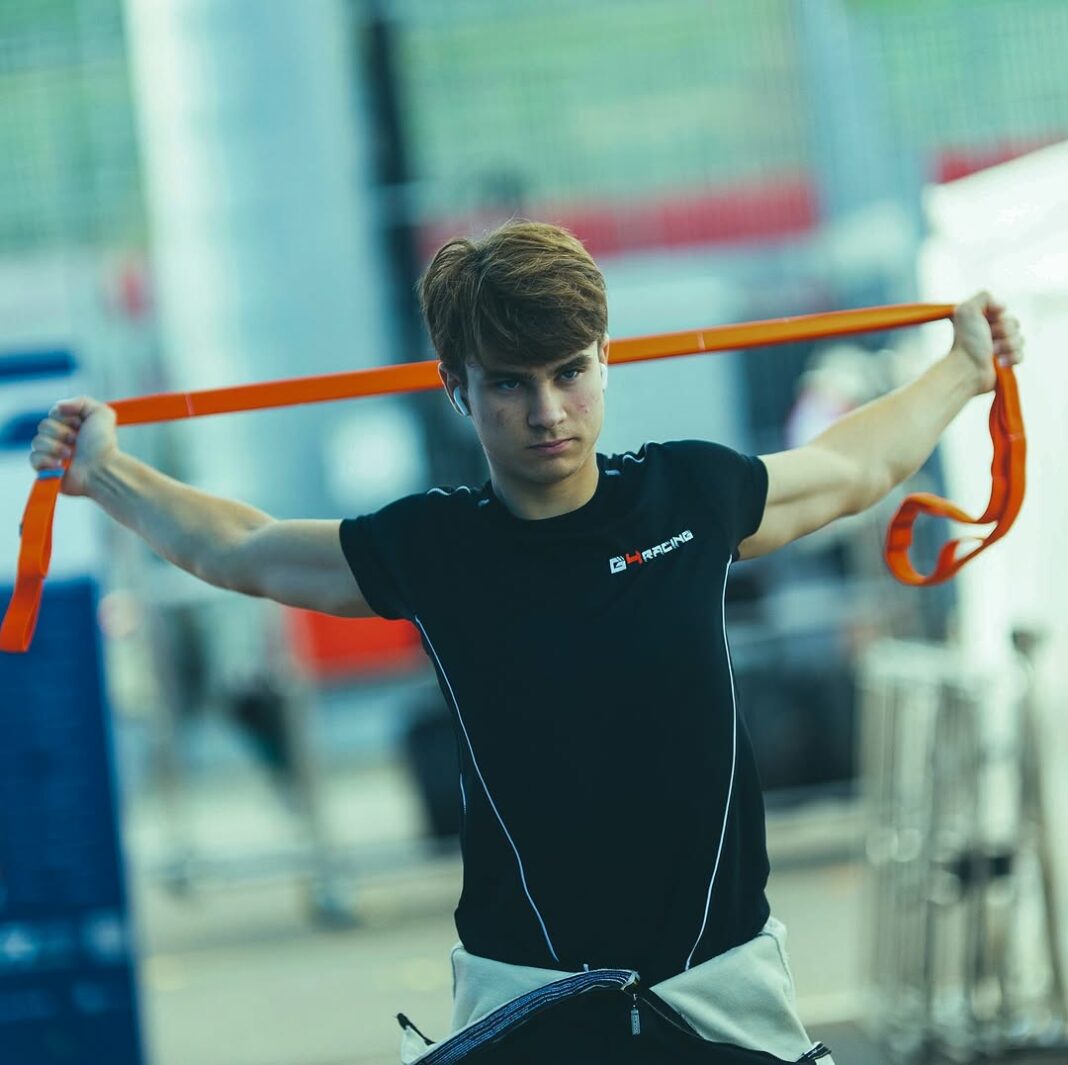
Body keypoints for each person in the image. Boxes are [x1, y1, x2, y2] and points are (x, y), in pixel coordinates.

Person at [30, 221, 1024, 1062]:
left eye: (568, 372)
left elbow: (850, 468)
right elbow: (241, 548)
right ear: (456, 387)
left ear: (604, 359)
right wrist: (107, 474)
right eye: (509, 384)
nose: (548, 412)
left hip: (722, 989)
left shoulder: (690, 495)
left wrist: (963, 370)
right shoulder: (433, 548)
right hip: (525, 1000)